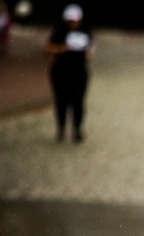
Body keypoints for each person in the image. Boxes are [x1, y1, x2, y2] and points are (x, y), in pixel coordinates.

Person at [45, 3, 92, 143]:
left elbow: (89, 49)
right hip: (61, 71)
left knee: (78, 101)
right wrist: (61, 49)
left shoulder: (85, 31)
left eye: (76, 20)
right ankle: (61, 128)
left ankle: (77, 128)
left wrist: (88, 54)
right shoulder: (59, 31)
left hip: (79, 71)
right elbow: (48, 48)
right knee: (61, 101)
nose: (74, 23)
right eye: (71, 20)